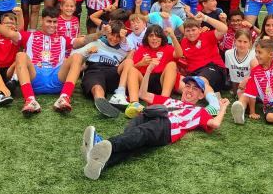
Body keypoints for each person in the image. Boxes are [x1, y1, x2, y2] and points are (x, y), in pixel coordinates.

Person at [81, 75, 229, 180]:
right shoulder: (169, 100)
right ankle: (100, 164)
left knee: (140, 133)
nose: (189, 90)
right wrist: (150, 69)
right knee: (133, 140)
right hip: (148, 115)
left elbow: (215, 124)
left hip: (167, 126)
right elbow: (142, 94)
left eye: (195, 89)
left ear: (201, 95)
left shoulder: (200, 111)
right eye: (188, 86)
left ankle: (100, 144)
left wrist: (222, 108)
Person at [0, 6, 91, 115]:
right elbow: (9, 34)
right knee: (20, 55)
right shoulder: (29, 36)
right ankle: (30, 100)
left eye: (55, 22)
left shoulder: (62, 39)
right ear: (42, 20)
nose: (52, 25)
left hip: (57, 79)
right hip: (35, 78)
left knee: (77, 56)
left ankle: (64, 98)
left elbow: (82, 41)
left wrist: (100, 34)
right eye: (49, 21)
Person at [53, 21, 128, 116]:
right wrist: (88, 52)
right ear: (107, 33)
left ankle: (120, 95)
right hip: (95, 69)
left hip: (112, 72)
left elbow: (130, 58)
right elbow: (75, 57)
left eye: (118, 37)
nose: (114, 39)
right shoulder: (97, 43)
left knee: (128, 62)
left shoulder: (124, 49)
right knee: (97, 87)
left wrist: (124, 39)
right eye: (112, 35)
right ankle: (101, 101)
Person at [119, 25, 182, 108]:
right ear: (147, 38)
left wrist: (173, 37)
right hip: (144, 82)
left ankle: (164, 100)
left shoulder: (167, 48)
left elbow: (179, 54)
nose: (154, 38)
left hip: (161, 82)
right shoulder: (142, 49)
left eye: (157, 36)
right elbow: (131, 68)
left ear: (161, 38)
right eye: (151, 36)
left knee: (172, 64)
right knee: (132, 70)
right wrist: (141, 63)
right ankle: (134, 104)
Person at [179, 13, 229, 93]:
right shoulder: (184, 42)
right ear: (184, 32)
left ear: (199, 29)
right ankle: (205, 94)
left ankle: (213, 102)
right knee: (180, 80)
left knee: (200, 81)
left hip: (213, 68)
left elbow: (224, 29)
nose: (191, 33)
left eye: (193, 30)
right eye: (188, 31)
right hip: (194, 73)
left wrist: (205, 18)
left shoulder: (207, 36)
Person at [224, 30, 256, 95]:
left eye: (245, 42)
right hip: (234, 82)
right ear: (235, 41)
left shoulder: (254, 54)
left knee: (245, 95)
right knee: (236, 94)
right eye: (239, 41)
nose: (242, 44)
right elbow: (229, 70)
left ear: (250, 43)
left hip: (249, 82)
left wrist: (246, 81)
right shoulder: (228, 53)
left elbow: (255, 73)